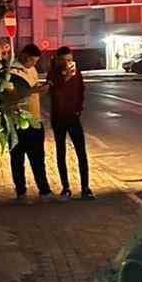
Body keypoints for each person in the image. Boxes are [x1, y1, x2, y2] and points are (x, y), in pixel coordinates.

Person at [6, 44, 53, 200]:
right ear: (24, 56)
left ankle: (44, 190)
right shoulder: (11, 72)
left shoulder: (32, 70)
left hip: (34, 120)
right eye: (32, 61)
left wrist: (40, 89)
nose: (33, 65)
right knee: (17, 159)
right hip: (17, 122)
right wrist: (34, 91)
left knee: (38, 158)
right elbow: (11, 96)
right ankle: (21, 191)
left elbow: (32, 89)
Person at [47, 46, 94, 198]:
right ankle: (65, 187)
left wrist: (79, 108)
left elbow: (81, 89)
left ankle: (85, 187)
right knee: (61, 152)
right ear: (58, 60)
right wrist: (64, 78)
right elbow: (52, 92)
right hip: (58, 117)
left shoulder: (76, 72)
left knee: (81, 151)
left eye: (70, 59)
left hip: (73, 116)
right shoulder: (52, 74)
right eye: (65, 60)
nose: (68, 63)